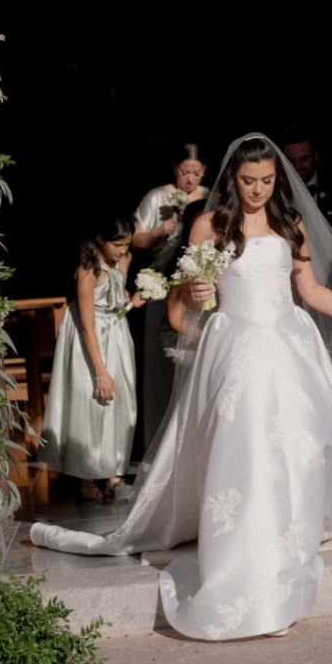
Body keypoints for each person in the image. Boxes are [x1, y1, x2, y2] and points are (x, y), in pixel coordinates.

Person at [30, 134, 332, 641]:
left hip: (290, 344)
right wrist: (201, 297)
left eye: (268, 181)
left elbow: (311, 290)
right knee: (247, 443)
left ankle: (290, 523)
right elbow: (182, 311)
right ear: (233, 178)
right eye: (249, 181)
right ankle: (248, 544)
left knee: (301, 439)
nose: (258, 190)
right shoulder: (209, 225)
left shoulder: (290, 223)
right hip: (236, 347)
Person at [38, 216, 142, 501]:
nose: (122, 250)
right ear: (100, 239)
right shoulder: (88, 270)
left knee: (117, 404)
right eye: (117, 244)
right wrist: (100, 371)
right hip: (90, 337)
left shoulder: (122, 260)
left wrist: (131, 301)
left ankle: (113, 473)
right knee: (91, 401)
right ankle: (86, 475)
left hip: (115, 335)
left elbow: (115, 297)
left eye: (127, 244)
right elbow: (87, 324)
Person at [132, 143, 209, 449]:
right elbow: (135, 240)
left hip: (201, 288)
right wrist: (158, 233)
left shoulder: (209, 196)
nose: (190, 179)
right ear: (175, 170)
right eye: (184, 172)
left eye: (196, 173)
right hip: (162, 286)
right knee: (161, 371)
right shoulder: (157, 197)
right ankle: (160, 447)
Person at [282, 125, 332, 238]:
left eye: (304, 159)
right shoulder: (276, 190)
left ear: (315, 156)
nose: (297, 166)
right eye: (291, 160)